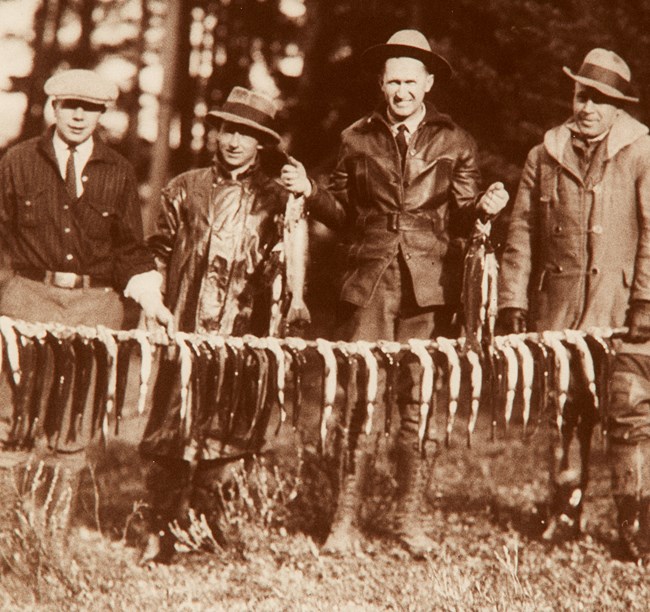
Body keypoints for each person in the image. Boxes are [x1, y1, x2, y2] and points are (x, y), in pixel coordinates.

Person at [281, 30, 509, 558]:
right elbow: (341, 215)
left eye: (411, 80)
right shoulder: (355, 138)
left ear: (429, 83)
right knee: (362, 398)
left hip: (429, 287)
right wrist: (311, 193)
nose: (402, 90)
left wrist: (486, 210)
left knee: (419, 401)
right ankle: (343, 523)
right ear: (382, 84)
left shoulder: (456, 141)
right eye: (393, 81)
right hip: (368, 281)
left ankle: (408, 521)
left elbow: (464, 214)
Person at [497, 48, 650, 558]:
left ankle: (635, 526)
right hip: (560, 312)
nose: (587, 107)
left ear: (618, 108)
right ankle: (565, 513)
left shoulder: (641, 151)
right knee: (565, 411)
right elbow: (520, 230)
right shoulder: (545, 154)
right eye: (582, 95)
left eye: (601, 99)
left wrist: (645, 301)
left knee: (629, 415)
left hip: (624, 313)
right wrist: (513, 300)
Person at [134, 86, 292, 564]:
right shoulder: (183, 187)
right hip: (182, 328)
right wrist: (155, 309)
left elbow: (285, 270)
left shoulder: (277, 197)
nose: (234, 141)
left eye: (246, 133)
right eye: (228, 129)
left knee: (228, 434)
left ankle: (210, 532)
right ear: (216, 133)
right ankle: (158, 532)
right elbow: (158, 251)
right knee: (169, 433)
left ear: (261, 143)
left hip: (243, 333)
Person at [0, 68, 172, 451]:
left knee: (73, 426)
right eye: (70, 106)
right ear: (54, 108)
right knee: (9, 423)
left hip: (96, 309)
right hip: (27, 299)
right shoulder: (17, 161)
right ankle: (13, 512)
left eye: (90, 108)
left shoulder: (119, 171)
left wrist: (152, 300)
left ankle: (55, 510)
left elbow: (129, 248)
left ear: (102, 114)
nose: (79, 117)